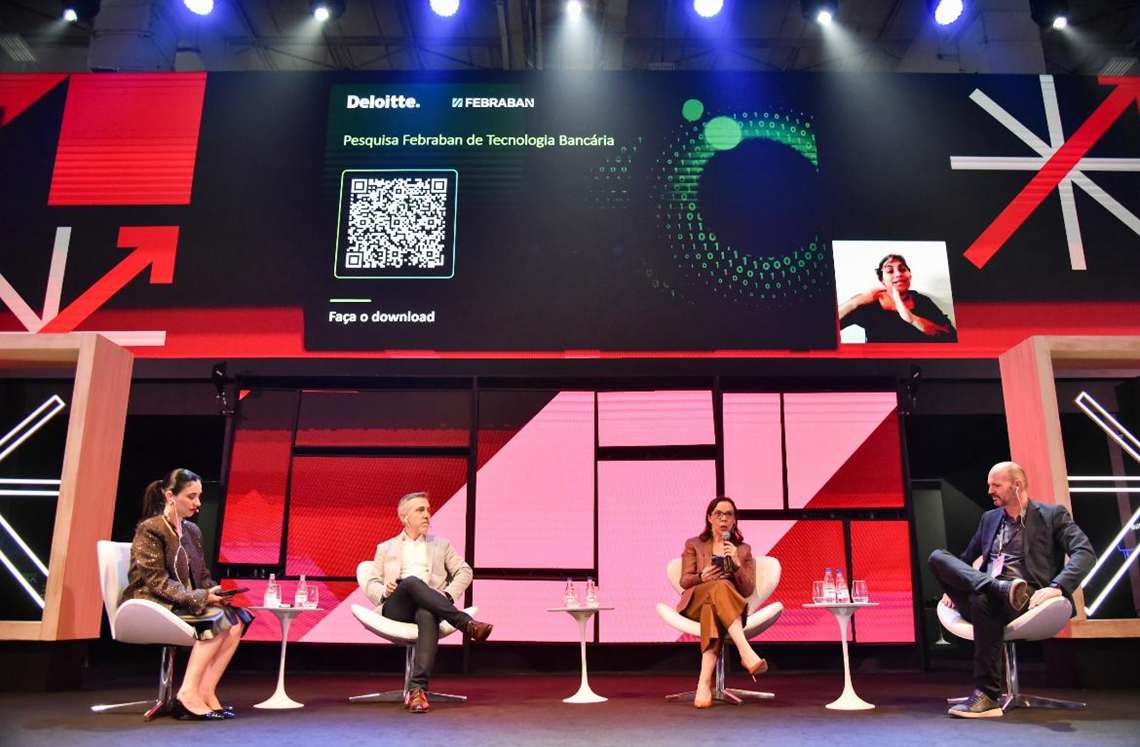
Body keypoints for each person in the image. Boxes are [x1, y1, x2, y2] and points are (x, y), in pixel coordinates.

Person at [928, 461, 1094, 718]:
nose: (990, 491)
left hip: (1025, 597)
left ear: (1017, 485)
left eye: (996, 485)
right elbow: (965, 558)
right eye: (989, 485)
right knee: (938, 557)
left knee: (984, 600)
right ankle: (998, 588)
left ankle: (987, 695)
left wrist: (1058, 586)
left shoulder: (1052, 515)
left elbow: (1085, 553)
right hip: (987, 589)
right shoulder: (989, 519)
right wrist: (952, 586)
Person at [120, 468, 252, 721]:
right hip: (152, 602)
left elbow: (201, 575)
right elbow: (157, 582)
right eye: (191, 496)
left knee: (237, 620)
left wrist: (215, 591)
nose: (198, 503)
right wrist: (201, 597)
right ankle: (187, 694)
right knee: (216, 620)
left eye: (199, 496)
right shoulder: (150, 529)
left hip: (182, 600)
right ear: (170, 496)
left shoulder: (191, 531)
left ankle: (205, 691)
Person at [362, 491, 493, 713]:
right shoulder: (386, 547)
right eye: (420, 510)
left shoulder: (441, 545)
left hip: (431, 604)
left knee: (427, 613)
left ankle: (417, 691)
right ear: (404, 517)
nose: (427, 515)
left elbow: (465, 571)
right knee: (412, 582)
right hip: (397, 607)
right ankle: (466, 623)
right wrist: (384, 590)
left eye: (428, 510)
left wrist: (447, 595)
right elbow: (371, 581)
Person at [675, 496, 769, 708]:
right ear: (709, 517)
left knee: (713, 606)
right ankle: (745, 652)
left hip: (723, 608)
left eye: (728, 514)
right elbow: (684, 580)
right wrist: (702, 577)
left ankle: (703, 683)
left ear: (735, 520)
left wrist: (736, 564)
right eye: (718, 514)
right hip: (695, 603)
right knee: (719, 585)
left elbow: (747, 589)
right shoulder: (694, 544)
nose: (723, 518)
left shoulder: (742, 549)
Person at [838, 254, 957, 342]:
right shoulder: (870, 303)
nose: (898, 274)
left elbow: (951, 336)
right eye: (890, 271)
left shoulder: (922, 300)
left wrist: (912, 319)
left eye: (902, 269)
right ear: (882, 280)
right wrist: (855, 302)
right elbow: (828, 327)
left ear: (909, 275)